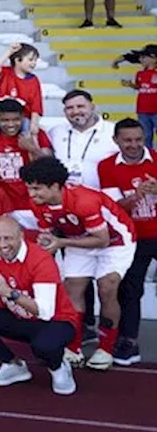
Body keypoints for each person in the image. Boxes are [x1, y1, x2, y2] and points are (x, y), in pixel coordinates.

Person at [22, 156, 136, 372]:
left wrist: (61, 242)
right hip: (78, 239)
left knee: (107, 287)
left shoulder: (84, 200)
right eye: (29, 189)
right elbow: (50, 230)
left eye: (37, 189)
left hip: (115, 241)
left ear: (56, 186)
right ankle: (73, 348)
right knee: (72, 289)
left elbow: (102, 239)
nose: (32, 194)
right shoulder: (37, 203)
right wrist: (47, 240)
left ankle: (106, 348)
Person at [0, 216, 79, 395]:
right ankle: (13, 364)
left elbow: (45, 312)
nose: (2, 244)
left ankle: (58, 367)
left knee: (44, 346)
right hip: (19, 317)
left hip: (57, 320)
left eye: (7, 238)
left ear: (20, 237)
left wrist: (9, 293)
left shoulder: (40, 260)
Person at [98, 118, 157, 365]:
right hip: (134, 238)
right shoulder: (106, 166)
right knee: (130, 290)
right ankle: (129, 342)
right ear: (116, 141)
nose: (134, 145)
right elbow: (113, 209)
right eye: (128, 140)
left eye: (138, 139)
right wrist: (138, 195)